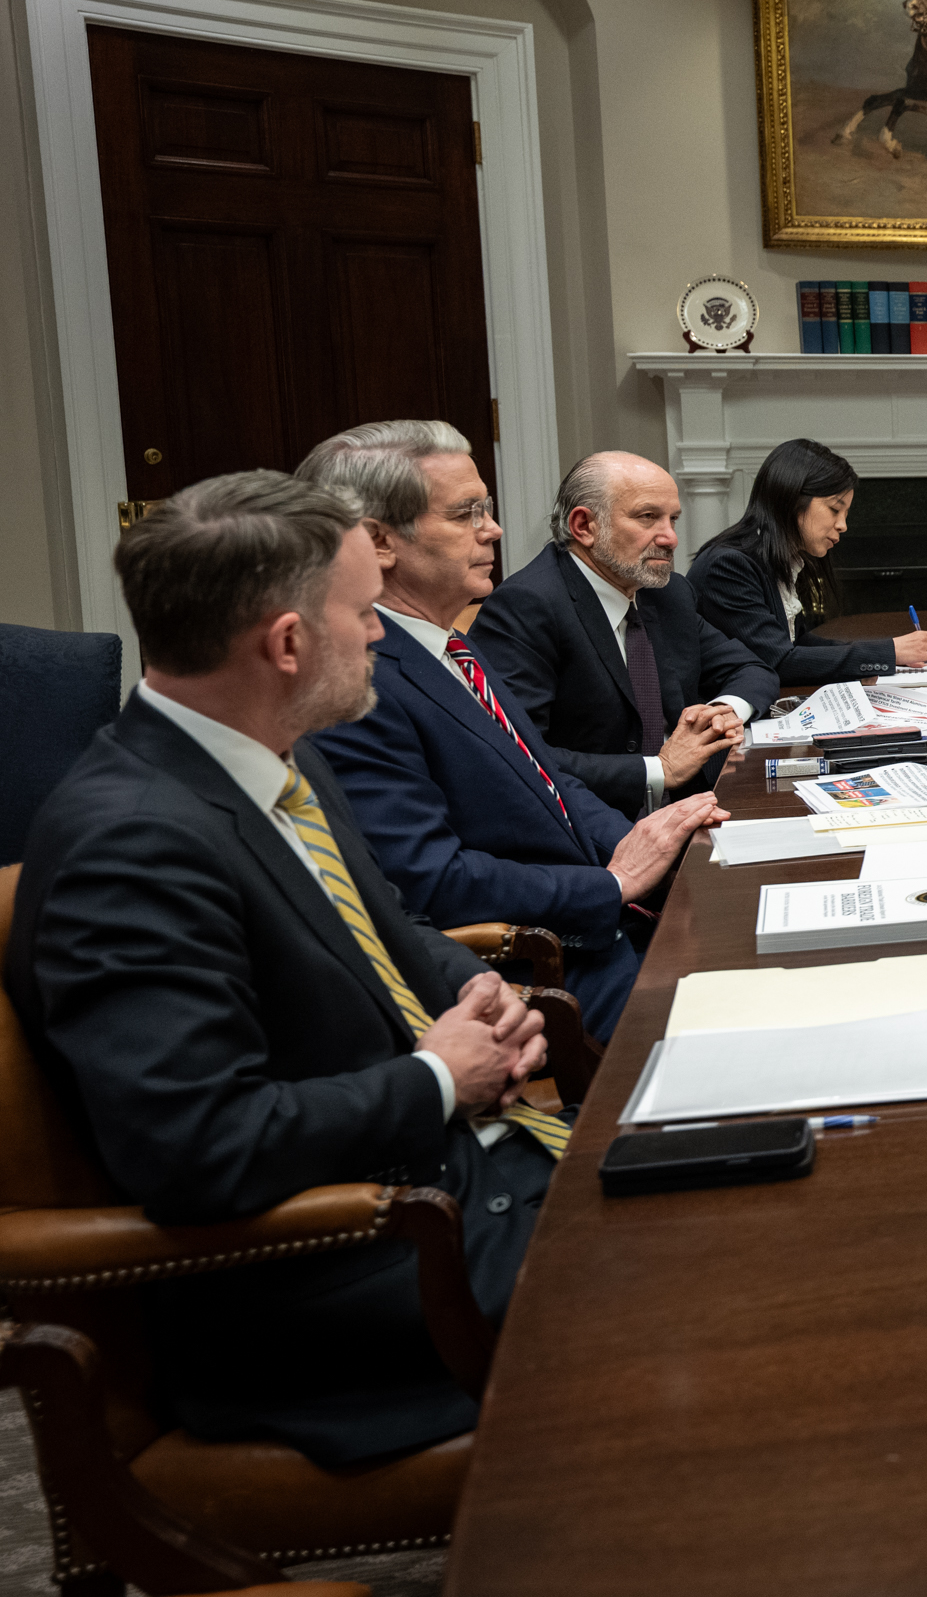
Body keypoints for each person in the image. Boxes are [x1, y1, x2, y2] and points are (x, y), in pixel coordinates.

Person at [7, 473, 560, 1468]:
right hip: (348, 1277)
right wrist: (439, 1075)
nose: (385, 633)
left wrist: (472, 992)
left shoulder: (271, 760)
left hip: (460, 1180)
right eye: (363, 612)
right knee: (712, 1301)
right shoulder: (128, 846)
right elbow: (200, 1146)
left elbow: (387, 931)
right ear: (289, 642)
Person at [297, 422, 722, 1039]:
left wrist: (662, 846)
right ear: (378, 541)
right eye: (467, 513)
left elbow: (552, 784)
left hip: (611, 922)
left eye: (487, 510)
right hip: (546, 970)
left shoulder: (451, 646)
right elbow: (431, 881)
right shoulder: (353, 684)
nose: (492, 529)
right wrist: (612, 883)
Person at [468, 452, 776, 814]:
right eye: (648, 517)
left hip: (694, 806)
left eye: (673, 519)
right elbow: (517, 754)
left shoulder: (666, 593)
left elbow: (752, 670)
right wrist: (659, 769)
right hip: (591, 828)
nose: (671, 538)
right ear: (584, 526)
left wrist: (723, 711)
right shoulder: (527, 606)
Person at [691, 438, 927, 685]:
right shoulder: (728, 567)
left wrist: (887, 656)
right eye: (834, 509)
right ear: (792, 499)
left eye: (845, 514)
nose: (843, 525)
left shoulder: (778, 558)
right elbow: (779, 662)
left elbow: (798, 643)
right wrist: (889, 652)